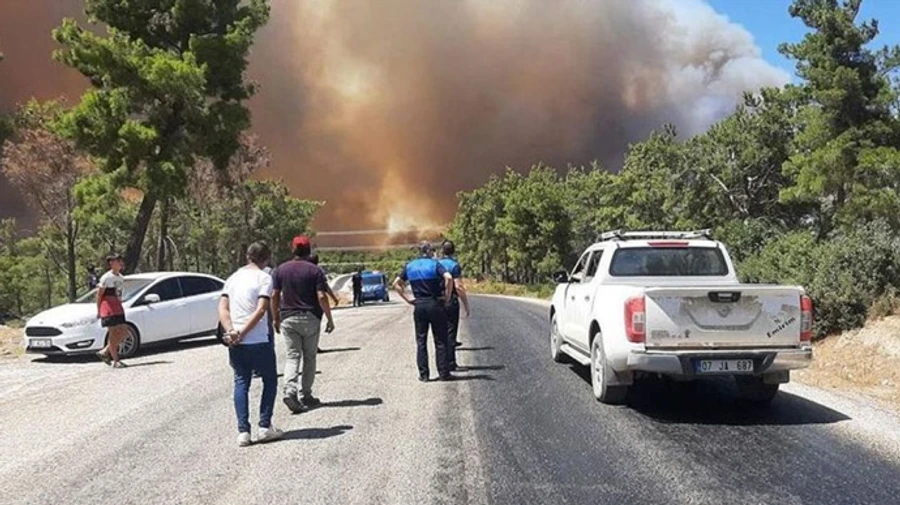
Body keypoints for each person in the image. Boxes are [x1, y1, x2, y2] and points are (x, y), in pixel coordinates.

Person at [218, 241, 283, 447]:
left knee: (241, 382)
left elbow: (223, 307)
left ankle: (243, 432)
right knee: (270, 380)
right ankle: (264, 426)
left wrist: (232, 331)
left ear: (247, 256)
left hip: (235, 340)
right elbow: (262, 309)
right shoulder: (264, 278)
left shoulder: (233, 278)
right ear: (267, 258)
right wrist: (244, 333)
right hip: (258, 339)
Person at [272, 235, 336, 413]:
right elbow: (321, 297)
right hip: (310, 318)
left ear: (293, 250)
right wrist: (329, 319)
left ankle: (290, 391)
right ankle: (306, 395)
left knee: (293, 356)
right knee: (309, 357)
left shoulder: (280, 270)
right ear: (308, 251)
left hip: (288, 318)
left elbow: (275, 296)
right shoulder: (315, 271)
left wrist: (275, 318)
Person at [393, 241, 454, 382]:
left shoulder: (410, 266)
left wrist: (407, 299)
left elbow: (395, 283)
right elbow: (449, 277)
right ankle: (444, 373)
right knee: (440, 340)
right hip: (435, 303)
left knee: (421, 341)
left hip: (419, 305)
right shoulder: (435, 264)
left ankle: (424, 375)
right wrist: (448, 296)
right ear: (429, 251)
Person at [438, 240, 471, 370]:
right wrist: (466, 305)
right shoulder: (454, 266)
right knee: (451, 332)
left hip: (439, 300)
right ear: (453, 251)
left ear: (442, 251)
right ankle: (451, 363)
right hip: (451, 300)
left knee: (440, 333)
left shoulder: (437, 264)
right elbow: (458, 287)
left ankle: (442, 363)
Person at [95, 253, 129, 368]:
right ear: (111, 263)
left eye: (120, 260)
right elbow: (99, 294)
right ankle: (115, 360)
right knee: (113, 332)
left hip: (117, 305)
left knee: (124, 332)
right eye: (117, 261)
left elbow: (119, 293)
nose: (120, 263)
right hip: (107, 306)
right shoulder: (106, 277)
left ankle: (105, 351)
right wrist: (99, 310)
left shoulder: (120, 278)